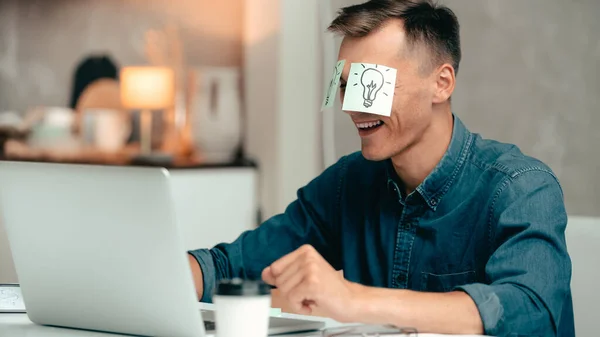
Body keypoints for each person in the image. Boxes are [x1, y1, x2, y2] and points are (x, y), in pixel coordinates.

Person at [188, 1, 574, 336]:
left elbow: (531, 311)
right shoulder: (347, 183)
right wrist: (163, 275)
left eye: (371, 82)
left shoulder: (521, 188)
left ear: (442, 83)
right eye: (343, 86)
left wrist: (353, 300)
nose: (352, 106)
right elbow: (228, 266)